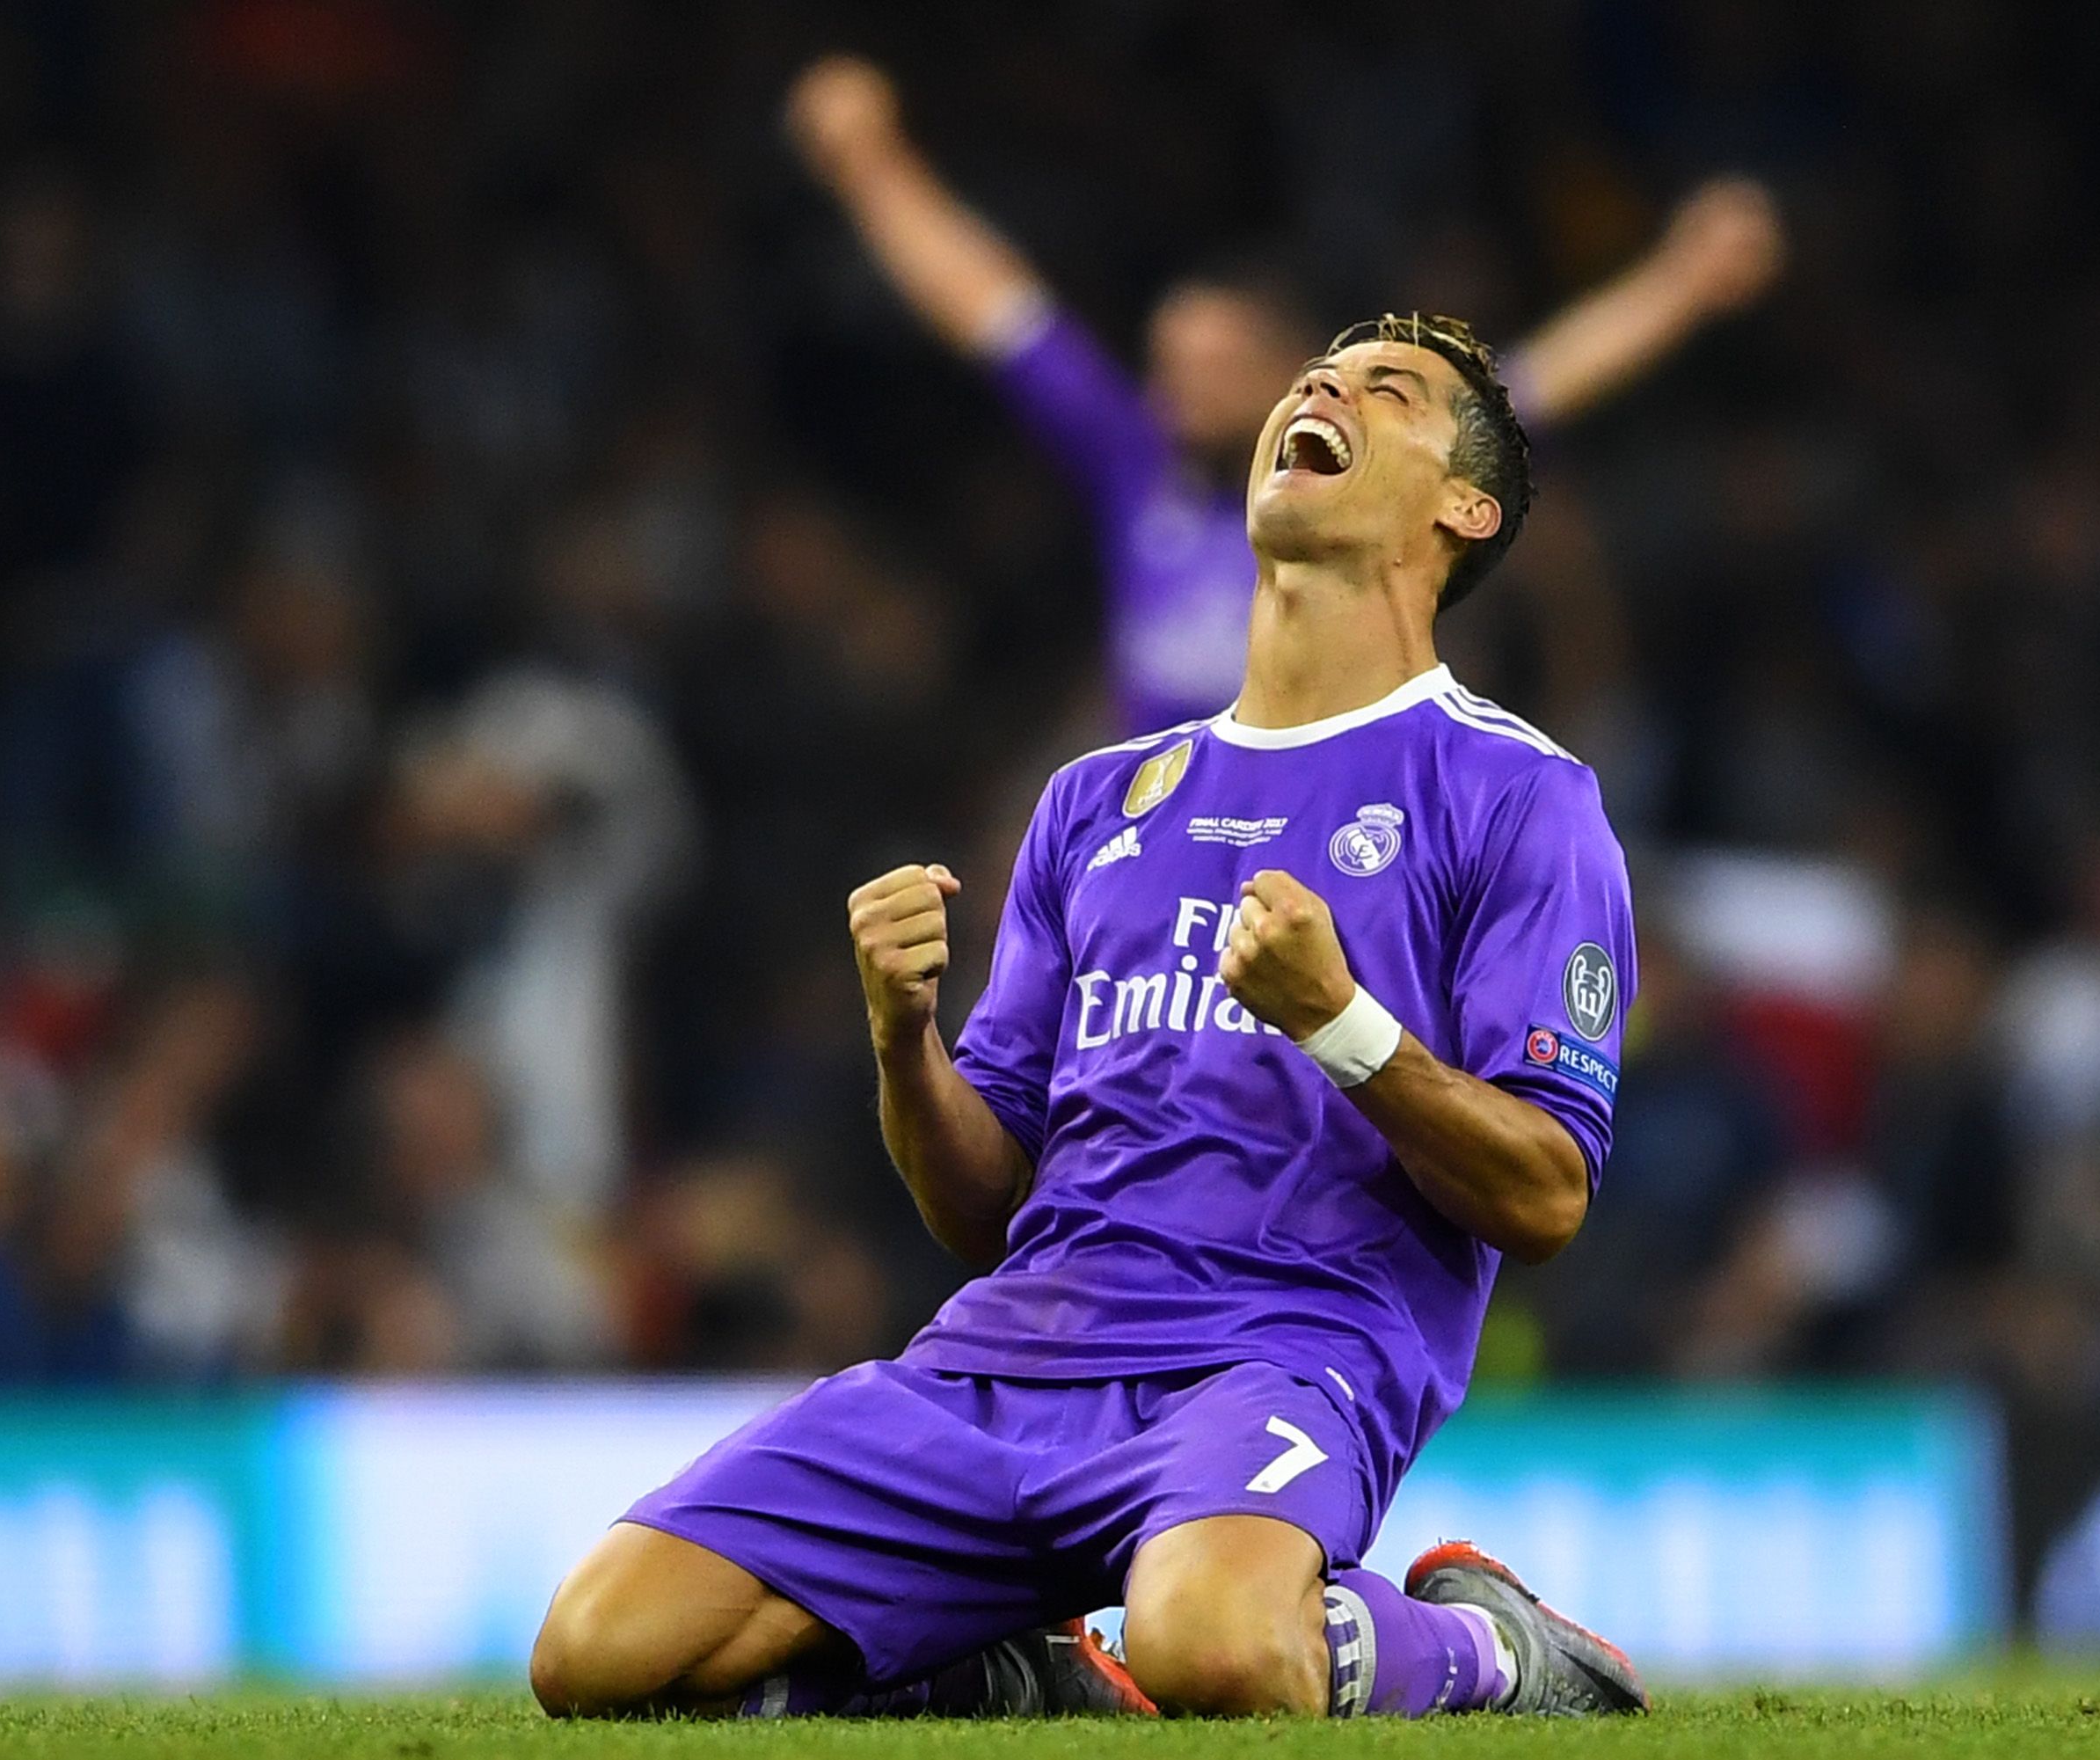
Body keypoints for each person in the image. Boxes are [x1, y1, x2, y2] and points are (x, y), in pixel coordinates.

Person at [532, 311, 1643, 1721]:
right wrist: (901, 1038)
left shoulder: (1516, 796)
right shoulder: (1099, 801)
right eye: (1321, 370)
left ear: (1462, 508)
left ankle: (1493, 1650)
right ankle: (1007, 1668)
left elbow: (1545, 1196)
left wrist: (1343, 1025)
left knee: (1220, 1656)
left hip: (1280, 1353)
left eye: (1388, 389)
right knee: (599, 1654)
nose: (1322, 383)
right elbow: (984, 1204)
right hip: (1013, 1354)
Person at [784, 54, 1783, 733]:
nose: (1173, 387)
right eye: (1164, 359)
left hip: (1332, 873)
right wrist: (872, 165)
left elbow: (1538, 380)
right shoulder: (1140, 467)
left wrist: (1685, 281)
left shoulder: (1379, 471)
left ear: (1286, 375)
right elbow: (993, 305)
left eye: (1207, 364)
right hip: (1171, 886)